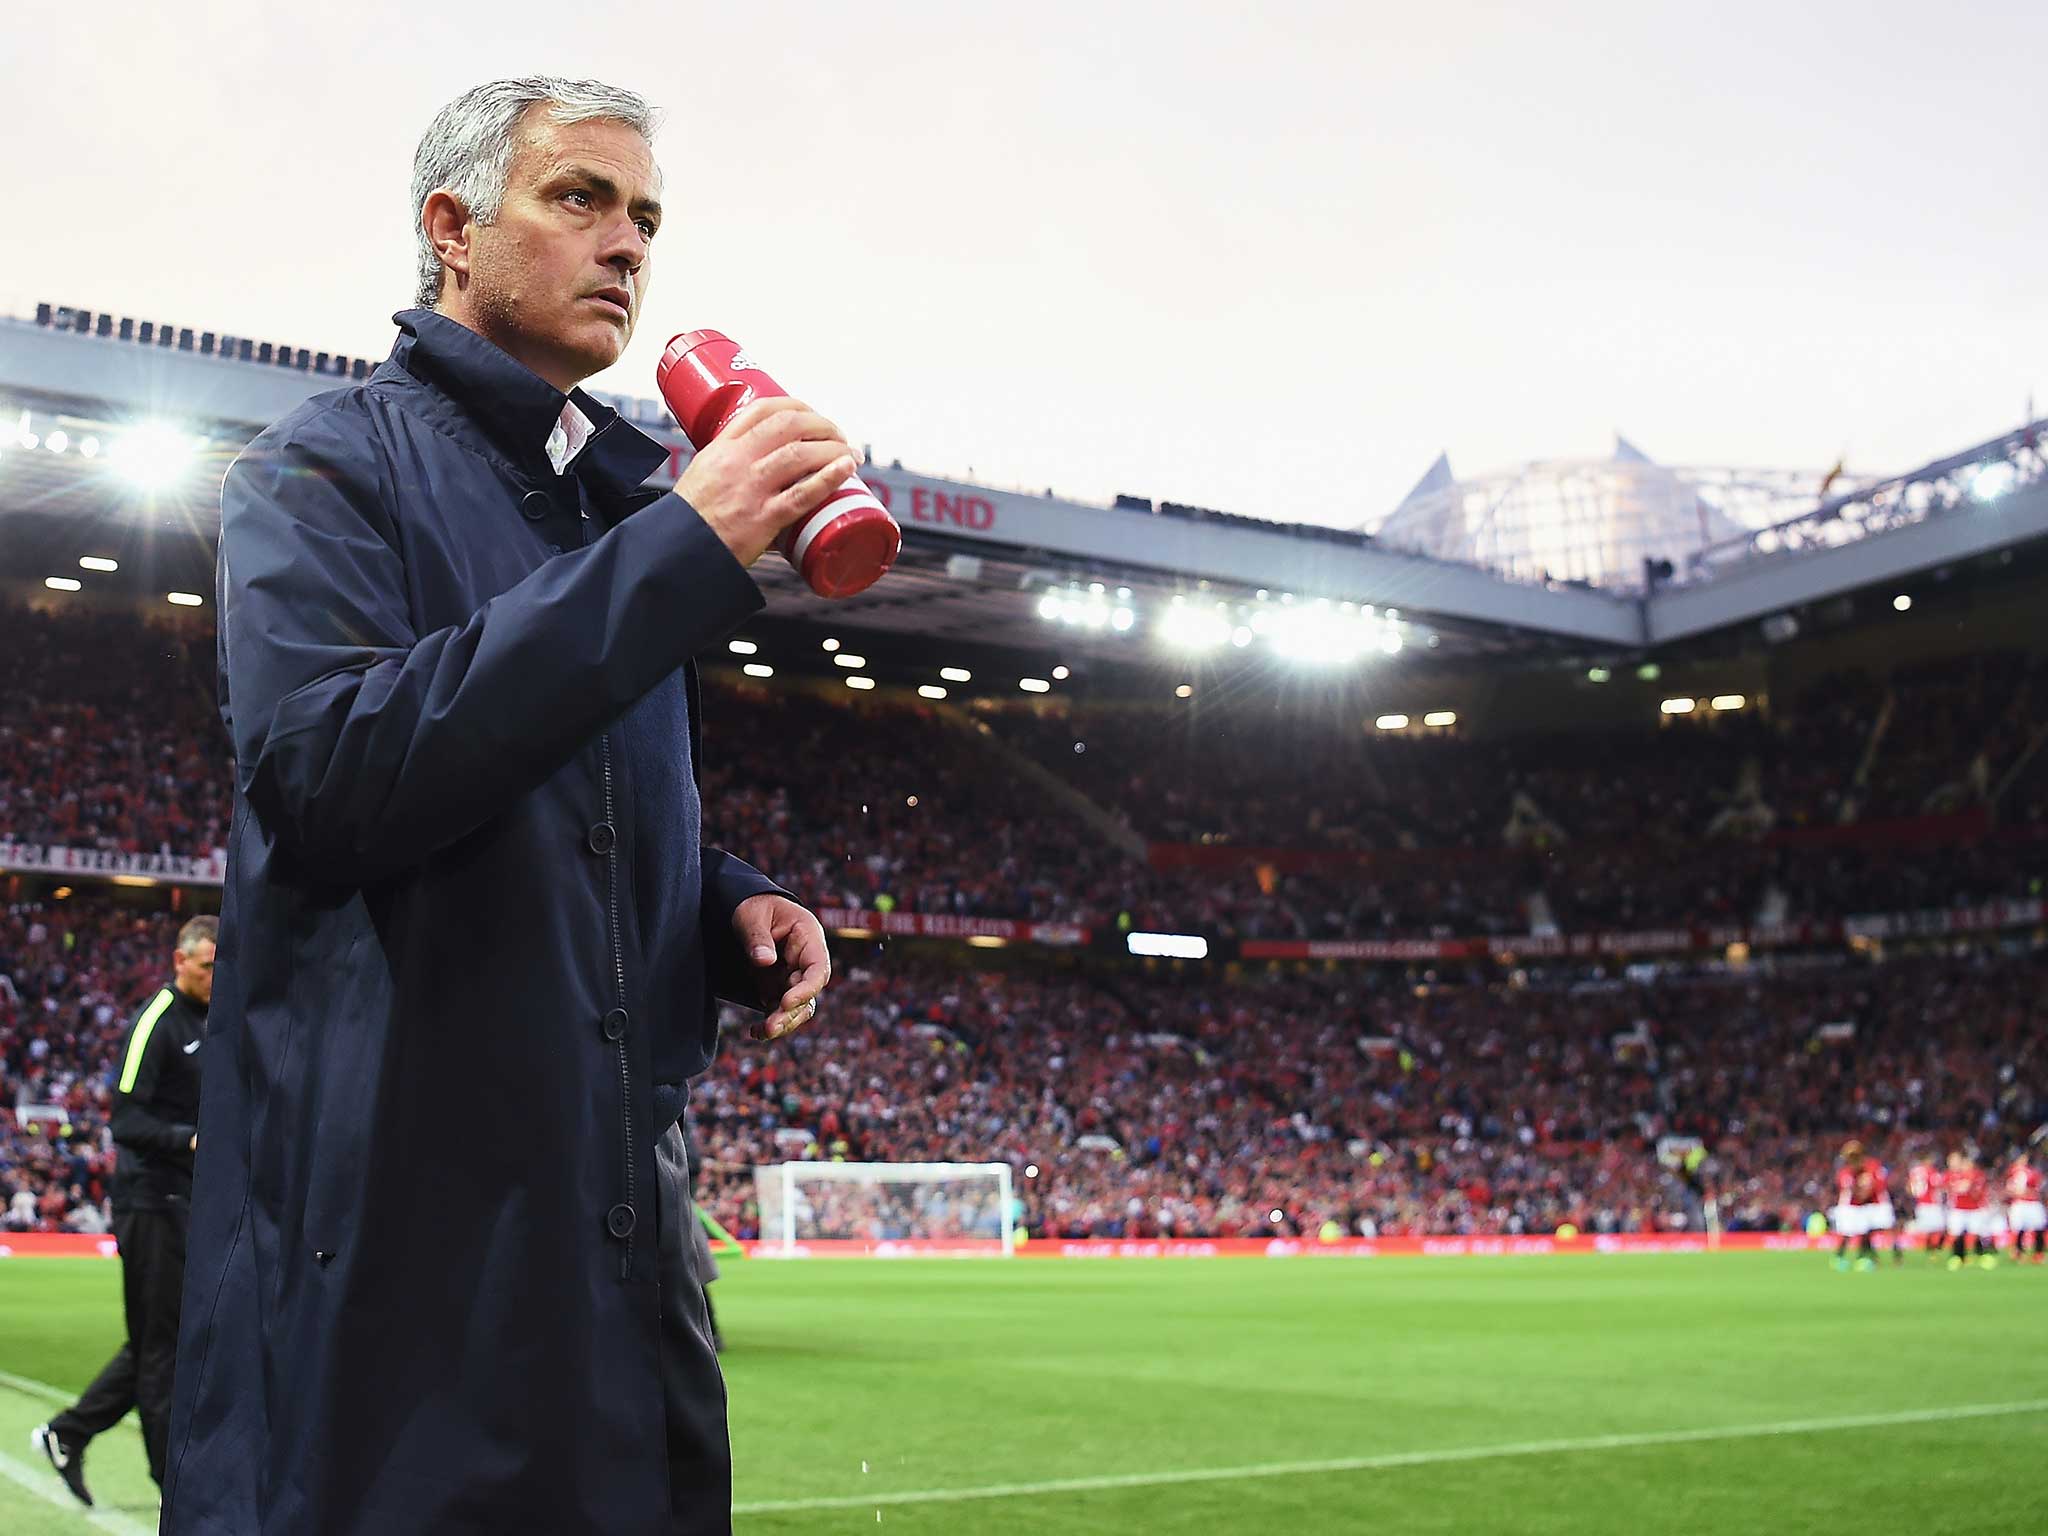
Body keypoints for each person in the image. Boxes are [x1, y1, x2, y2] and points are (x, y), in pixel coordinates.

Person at [164, 77, 844, 1536]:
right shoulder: (319, 468)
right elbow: (334, 778)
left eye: (646, 217)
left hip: (618, 1270)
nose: (627, 247)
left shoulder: (607, 512)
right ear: (450, 230)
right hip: (404, 1299)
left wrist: (722, 903)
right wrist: (681, 551)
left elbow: (567, 804)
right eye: (581, 199)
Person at [34, 916, 216, 1507]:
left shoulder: (211, 1019)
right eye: (207, 965)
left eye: (221, 965)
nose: (216, 976)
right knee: (163, 1347)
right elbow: (126, 1118)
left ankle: (70, 1432)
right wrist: (189, 1139)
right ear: (178, 960)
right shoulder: (155, 1023)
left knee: (158, 1339)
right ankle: (174, 1486)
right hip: (149, 1200)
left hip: (181, 1199)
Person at [2003, 1153, 2045, 1263]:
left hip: (2032, 1203)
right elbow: (2008, 1188)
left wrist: (2027, 1192)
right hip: (2019, 1204)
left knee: (2039, 1227)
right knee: (2018, 1229)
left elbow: (2037, 1189)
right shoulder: (2011, 1172)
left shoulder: (2032, 1172)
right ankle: (2018, 1252)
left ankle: (2038, 1253)